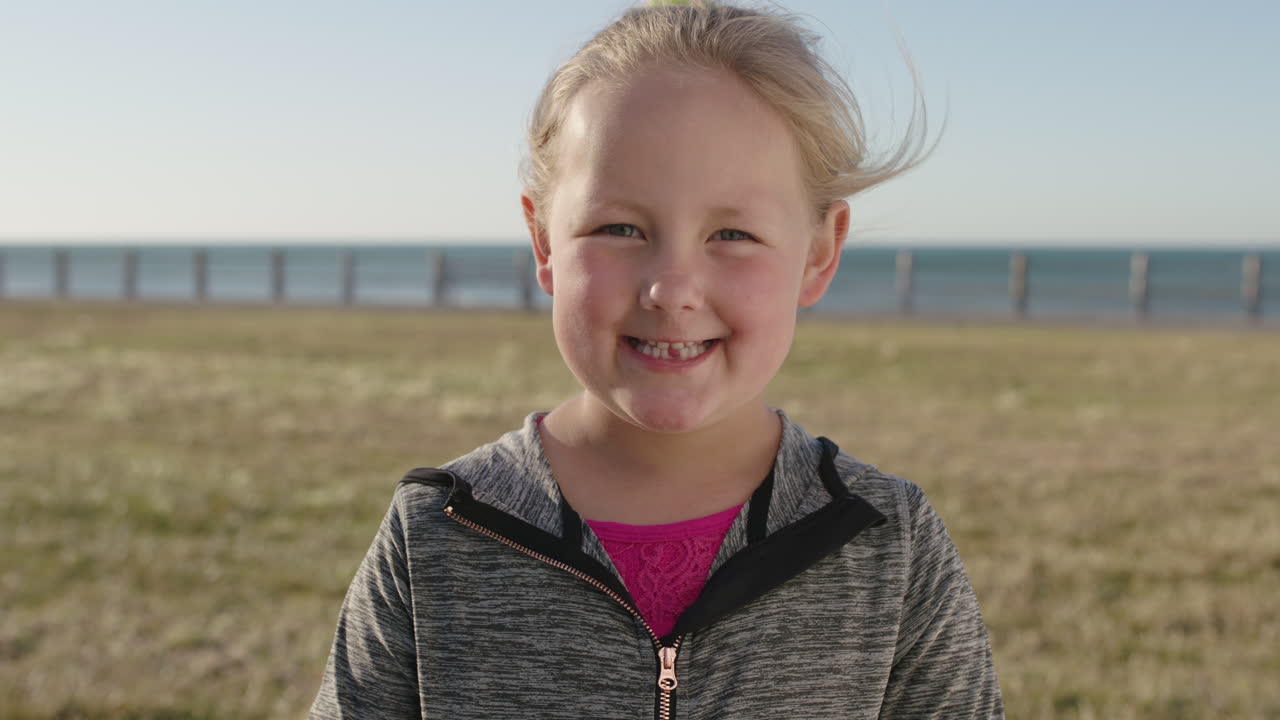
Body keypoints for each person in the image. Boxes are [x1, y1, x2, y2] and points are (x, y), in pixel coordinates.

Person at [310, 1, 1003, 717]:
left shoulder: (888, 543)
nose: (671, 290)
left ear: (819, 253)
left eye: (731, 233)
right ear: (545, 242)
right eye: (619, 227)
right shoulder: (440, 533)